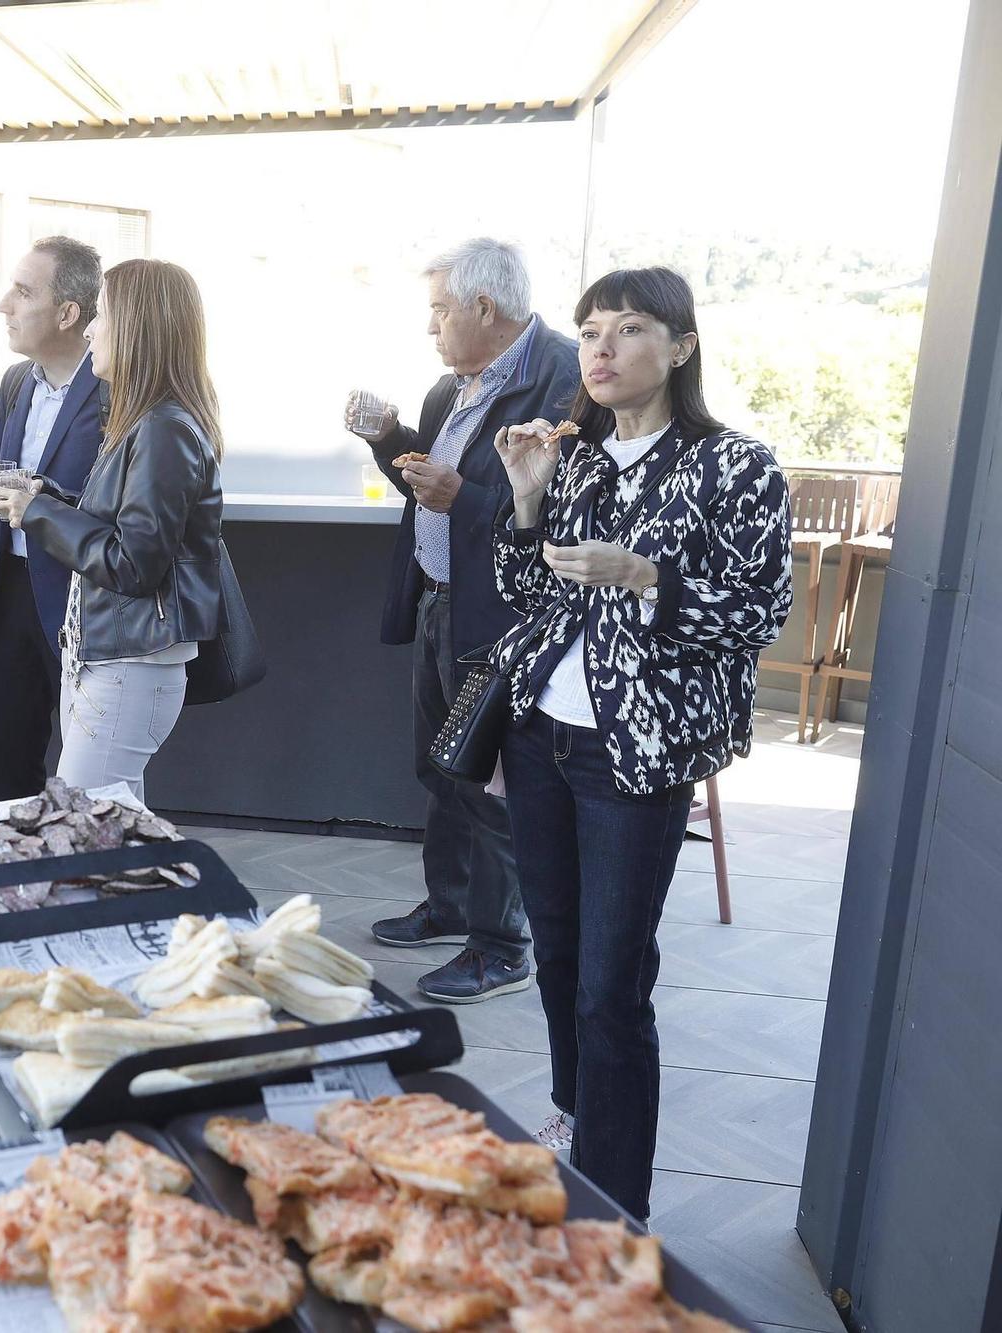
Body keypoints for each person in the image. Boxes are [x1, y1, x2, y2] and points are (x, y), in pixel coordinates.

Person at [492, 266, 792, 1220]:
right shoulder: (575, 456)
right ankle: (575, 1115)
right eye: (590, 332)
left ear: (681, 346)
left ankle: (617, 1203)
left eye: (627, 329)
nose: (602, 349)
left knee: (610, 985)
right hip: (542, 735)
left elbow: (760, 611)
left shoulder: (734, 464)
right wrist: (527, 499)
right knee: (555, 953)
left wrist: (645, 576)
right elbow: (525, 591)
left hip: (637, 749)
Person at [348, 238, 578, 1004]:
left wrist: (465, 498)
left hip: (506, 618)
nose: (431, 327)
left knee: (491, 785)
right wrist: (390, 440)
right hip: (442, 600)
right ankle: (449, 906)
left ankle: (503, 945)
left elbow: (561, 513)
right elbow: (431, 485)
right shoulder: (450, 389)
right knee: (441, 769)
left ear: (485, 307)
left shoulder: (565, 380)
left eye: (440, 311)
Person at [0, 259, 223, 804]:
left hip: (126, 664)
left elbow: (134, 564)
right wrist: (47, 497)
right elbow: (122, 525)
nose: (91, 330)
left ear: (138, 328)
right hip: (113, 660)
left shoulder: (162, 428)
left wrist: (37, 512)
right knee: (110, 825)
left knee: (85, 825)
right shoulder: (148, 421)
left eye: (104, 315)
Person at [0, 237, 107, 799]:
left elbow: (117, 508)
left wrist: (44, 500)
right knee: (10, 765)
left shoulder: (116, 387)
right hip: (11, 595)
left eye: (23, 292)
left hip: (86, 597)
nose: (3, 305)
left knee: (90, 774)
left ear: (68, 313)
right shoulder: (15, 384)